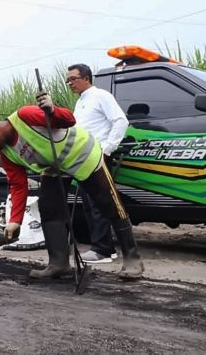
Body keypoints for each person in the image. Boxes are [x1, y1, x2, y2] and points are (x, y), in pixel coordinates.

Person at [0, 93, 144, 279]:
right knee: (49, 208)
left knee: (109, 204)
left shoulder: (25, 116)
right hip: (54, 167)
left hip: (84, 154)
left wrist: (52, 111)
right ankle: (59, 263)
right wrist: (14, 221)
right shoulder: (7, 154)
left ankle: (132, 259)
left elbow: (69, 119)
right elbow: (18, 186)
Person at [68, 63, 129, 264]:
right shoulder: (81, 102)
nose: (70, 83)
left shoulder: (101, 96)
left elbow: (121, 121)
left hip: (98, 158)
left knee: (97, 204)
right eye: (68, 80)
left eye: (73, 79)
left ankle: (103, 250)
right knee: (88, 204)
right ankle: (102, 248)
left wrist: (107, 148)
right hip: (84, 160)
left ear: (86, 78)